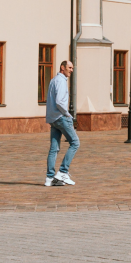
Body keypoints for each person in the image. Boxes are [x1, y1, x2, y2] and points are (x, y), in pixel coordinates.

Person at [45, 58, 78, 186]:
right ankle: (63, 172)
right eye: (69, 68)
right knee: (75, 143)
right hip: (61, 117)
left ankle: (50, 178)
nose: (71, 70)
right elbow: (59, 101)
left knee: (54, 148)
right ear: (62, 68)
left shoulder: (53, 80)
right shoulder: (61, 81)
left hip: (53, 119)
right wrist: (67, 114)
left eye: (72, 68)